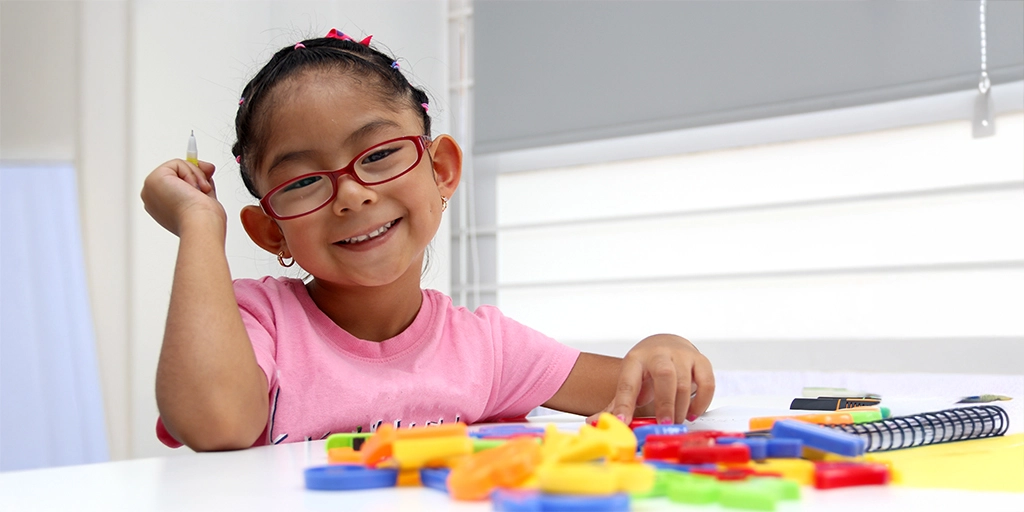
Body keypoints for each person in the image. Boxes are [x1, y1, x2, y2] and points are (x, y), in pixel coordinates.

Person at [140, 29, 715, 451]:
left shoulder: (487, 349)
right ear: (271, 231)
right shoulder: (258, 322)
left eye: (381, 154)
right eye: (306, 181)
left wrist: (666, 350)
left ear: (440, 170)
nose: (352, 195)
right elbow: (214, 424)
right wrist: (198, 227)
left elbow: (655, 397)